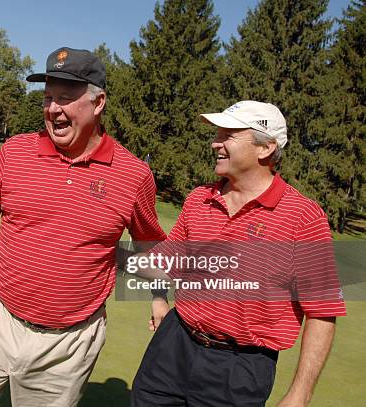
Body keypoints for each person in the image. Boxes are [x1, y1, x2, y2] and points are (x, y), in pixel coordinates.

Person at [0, 47, 167, 406]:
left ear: (98, 103)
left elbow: (148, 246)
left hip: (67, 344)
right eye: (48, 97)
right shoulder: (14, 152)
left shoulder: (133, 175)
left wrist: (159, 299)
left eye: (66, 98)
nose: (53, 109)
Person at [131, 101, 346, 406]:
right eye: (217, 133)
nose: (215, 142)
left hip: (239, 369)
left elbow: (322, 312)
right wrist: (154, 293)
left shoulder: (302, 217)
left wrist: (300, 393)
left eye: (228, 134)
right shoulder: (199, 199)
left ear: (265, 148)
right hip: (173, 345)